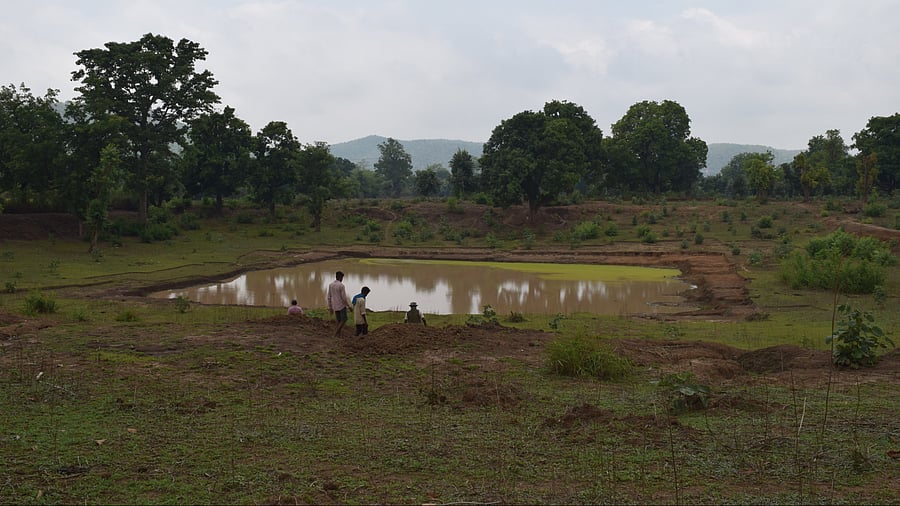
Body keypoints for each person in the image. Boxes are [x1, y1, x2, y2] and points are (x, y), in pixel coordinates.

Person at [326, 271, 351, 337]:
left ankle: (338, 335)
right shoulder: (341, 285)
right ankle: (335, 333)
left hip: (335, 305)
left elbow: (328, 296)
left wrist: (330, 306)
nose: (342, 279)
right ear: (340, 277)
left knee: (338, 320)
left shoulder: (331, 285)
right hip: (341, 305)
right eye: (342, 277)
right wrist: (348, 306)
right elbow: (344, 298)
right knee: (344, 320)